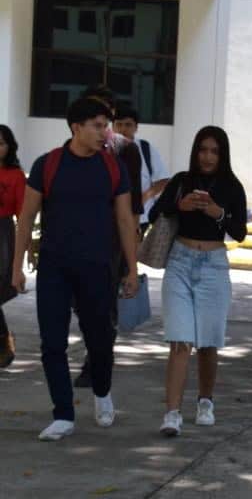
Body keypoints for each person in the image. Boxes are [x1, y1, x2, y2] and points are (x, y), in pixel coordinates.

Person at [11, 97, 138, 441]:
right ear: (76, 128)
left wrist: (132, 268)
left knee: (100, 340)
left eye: (106, 125)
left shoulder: (113, 168)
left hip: (98, 268)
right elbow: (25, 218)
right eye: (97, 125)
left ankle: (102, 391)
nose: (105, 132)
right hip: (54, 268)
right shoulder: (47, 165)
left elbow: (126, 220)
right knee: (52, 343)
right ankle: (63, 414)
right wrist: (17, 267)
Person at [151, 126, 247, 437]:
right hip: (180, 261)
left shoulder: (232, 186)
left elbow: (240, 232)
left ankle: (205, 401)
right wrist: (181, 205)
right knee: (180, 340)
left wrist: (218, 212)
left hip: (214, 267)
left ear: (223, 154)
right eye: (203, 150)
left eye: (214, 151)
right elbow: (155, 212)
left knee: (207, 343)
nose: (207, 157)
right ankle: (172, 412)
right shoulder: (182, 181)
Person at [73, 88, 144, 389]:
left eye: (104, 115)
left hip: (112, 239)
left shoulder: (125, 150)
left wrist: (132, 256)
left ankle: (98, 361)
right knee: (80, 301)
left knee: (104, 304)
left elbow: (134, 204)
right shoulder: (71, 148)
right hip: (76, 237)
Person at [112, 103, 171, 234]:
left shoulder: (146, 148)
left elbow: (163, 179)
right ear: (113, 126)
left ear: (136, 127)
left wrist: (144, 197)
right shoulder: (106, 150)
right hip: (112, 216)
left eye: (128, 125)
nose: (123, 129)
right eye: (119, 124)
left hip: (141, 217)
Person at [0, 125, 25, 368]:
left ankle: (4, 343)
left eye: (1, 143)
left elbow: (22, 216)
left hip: (3, 232)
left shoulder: (15, 175)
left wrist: (21, 257)